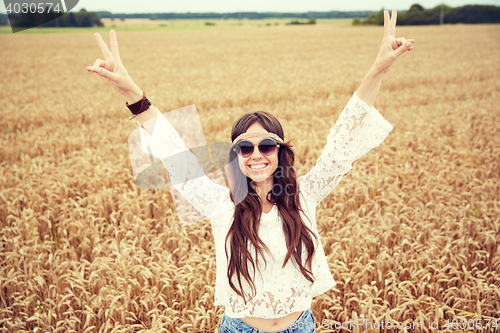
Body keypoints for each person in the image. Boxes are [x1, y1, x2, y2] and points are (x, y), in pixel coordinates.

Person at [87, 9, 413, 333]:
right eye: (245, 147)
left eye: (266, 145)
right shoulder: (220, 203)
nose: (256, 154)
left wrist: (379, 69)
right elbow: (177, 158)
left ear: (280, 150)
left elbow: (342, 145)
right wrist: (132, 93)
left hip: (300, 327)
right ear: (236, 156)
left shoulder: (303, 195)